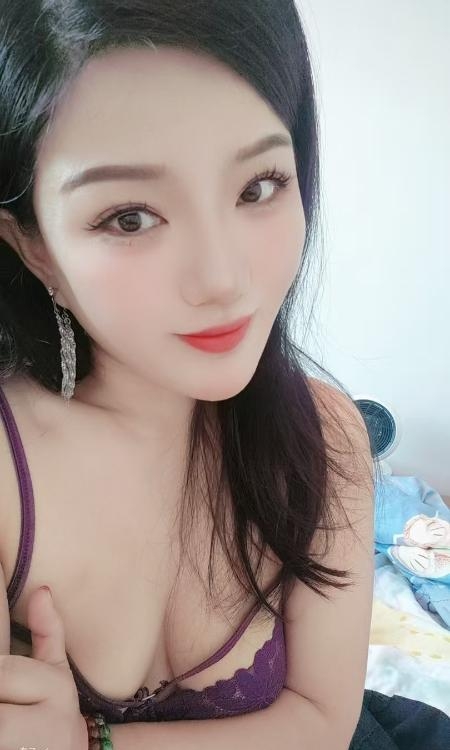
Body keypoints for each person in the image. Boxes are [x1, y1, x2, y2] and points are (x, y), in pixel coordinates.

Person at [0, 2, 448, 749]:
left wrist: (88, 744)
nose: (223, 278)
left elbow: (321, 722)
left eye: (258, 186)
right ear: (34, 247)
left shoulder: (326, 438)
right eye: (130, 217)